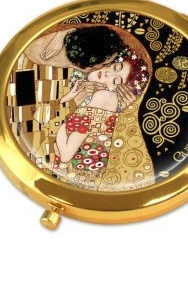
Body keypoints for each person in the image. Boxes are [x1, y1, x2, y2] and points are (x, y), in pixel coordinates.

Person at [52, 47, 153, 190]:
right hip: (78, 174)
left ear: (120, 90)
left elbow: (67, 153)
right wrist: (71, 96)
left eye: (116, 81)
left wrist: (62, 130)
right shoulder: (92, 92)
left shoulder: (105, 97)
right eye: (115, 67)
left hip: (77, 170)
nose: (108, 73)